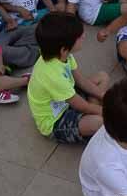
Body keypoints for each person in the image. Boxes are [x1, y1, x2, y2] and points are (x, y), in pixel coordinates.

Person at [28, 14, 109, 143]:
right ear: (63, 49)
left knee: (102, 77)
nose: (84, 36)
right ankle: (93, 116)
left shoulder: (62, 55)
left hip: (66, 97)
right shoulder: (53, 76)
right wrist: (111, 112)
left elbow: (81, 81)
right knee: (100, 122)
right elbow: (83, 106)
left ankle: (93, 111)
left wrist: (104, 96)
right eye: (79, 37)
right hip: (56, 120)